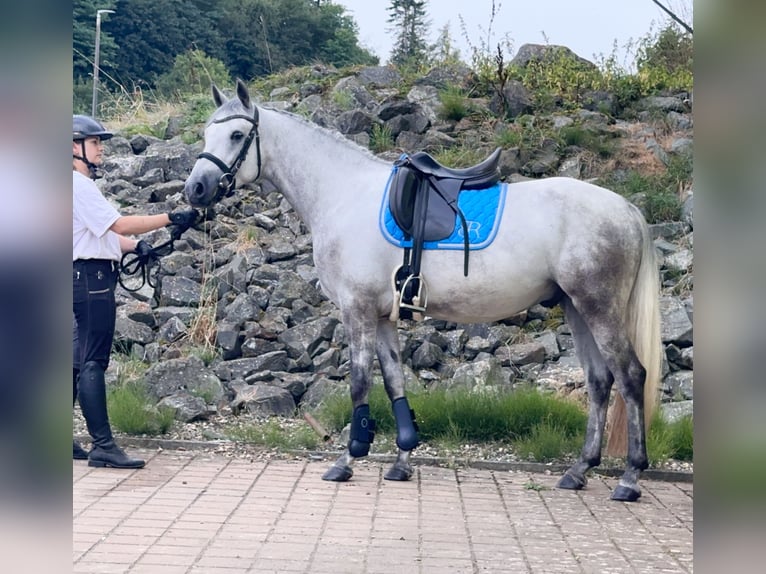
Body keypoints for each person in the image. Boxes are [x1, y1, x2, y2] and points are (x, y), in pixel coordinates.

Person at [73, 114, 200, 468]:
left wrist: (135, 247)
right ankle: (103, 446)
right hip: (92, 280)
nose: (100, 149)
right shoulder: (78, 185)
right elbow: (117, 223)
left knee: (73, 362)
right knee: (93, 361)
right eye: (95, 143)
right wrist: (170, 217)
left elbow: (98, 233)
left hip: (79, 276)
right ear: (73, 146)